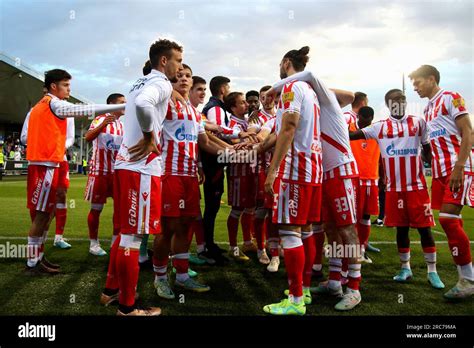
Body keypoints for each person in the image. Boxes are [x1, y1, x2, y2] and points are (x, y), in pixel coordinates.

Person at [100, 38, 183, 316]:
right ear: (164, 60)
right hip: (142, 169)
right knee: (132, 239)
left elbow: (138, 105)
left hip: (125, 165)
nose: (180, 67)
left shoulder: (137, 82)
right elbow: (145, 106)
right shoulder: (160, 84)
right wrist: (150, 136)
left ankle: (110, 291)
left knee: (123, 234)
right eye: (178, 61)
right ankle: (128, 307)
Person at [25, 68, 125, 275]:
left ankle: (38, 257)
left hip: (44, 164)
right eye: (66, 85)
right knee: (42, 215)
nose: (69, 90)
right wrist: (124, 105)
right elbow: (84, 110)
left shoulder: (40, 107)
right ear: (54, 86)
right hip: (46, 165)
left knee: (45, 214)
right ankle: (32, 263)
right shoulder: (52, 104)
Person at [350, 88, 444, 289]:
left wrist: (435, 160)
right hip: (394, 189)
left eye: (403, 99)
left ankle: (432, 271)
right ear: (388, 104)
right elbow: (352, 135)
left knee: (424, 229)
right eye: (395, 100)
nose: (400, 103)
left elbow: (427, 150)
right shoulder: (379, 128)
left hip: (417, 187)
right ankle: (405, 268)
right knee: (401, 230)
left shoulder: (419, 122)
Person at [153, 64, 230, 299]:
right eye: (179, 76)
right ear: (170, 81)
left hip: (189, 176)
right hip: (169, 173)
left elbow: (205, 142)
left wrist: (237, 151)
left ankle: (183, 276)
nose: (184, 79)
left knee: (186, 227)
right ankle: (160, 278)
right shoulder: (165, 103)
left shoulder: (194, 112)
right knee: (166, 228)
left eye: (187, 76)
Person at [262, 47, 322, 315]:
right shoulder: (311, 91)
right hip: (314, 168)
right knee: (306, 230)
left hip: (295, 169)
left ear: (286, 63)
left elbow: (288, 127)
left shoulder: (292, 88)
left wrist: (273, 170)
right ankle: (304, 290)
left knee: (289, 232)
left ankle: (296, 301)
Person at [409, 65, 474, 299]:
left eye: (417, 82)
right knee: (451, 221)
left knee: (448, 219)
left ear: (431, 79)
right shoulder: (427, 109)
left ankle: (468, 279)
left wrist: (459, 166)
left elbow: (468, 131)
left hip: (458, 167)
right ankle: (466, 275)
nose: (415, 87)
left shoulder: (451, 97)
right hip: (439, 171)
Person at [84, 93, 125, 256]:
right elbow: (88, 137)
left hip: (117, 172)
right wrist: (102, 125)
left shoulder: (122, 126)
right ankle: (93, 244)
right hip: (100, 171)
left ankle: (116, 242)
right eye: (122, 103)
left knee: (119, 209)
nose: (125, 106)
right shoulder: (101, 119)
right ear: (111, 104)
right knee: (96, 208)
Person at [349, 106, 380, 263]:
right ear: (358, 116)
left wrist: (384, 177)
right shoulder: (350, 129)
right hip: (354, 179)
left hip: (371, 180)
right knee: (353, 217)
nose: (365, 124)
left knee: (366, 216)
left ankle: (362, 249)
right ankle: (351, 251)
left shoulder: (376, 131)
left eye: (368, 121)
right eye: (362, 120)